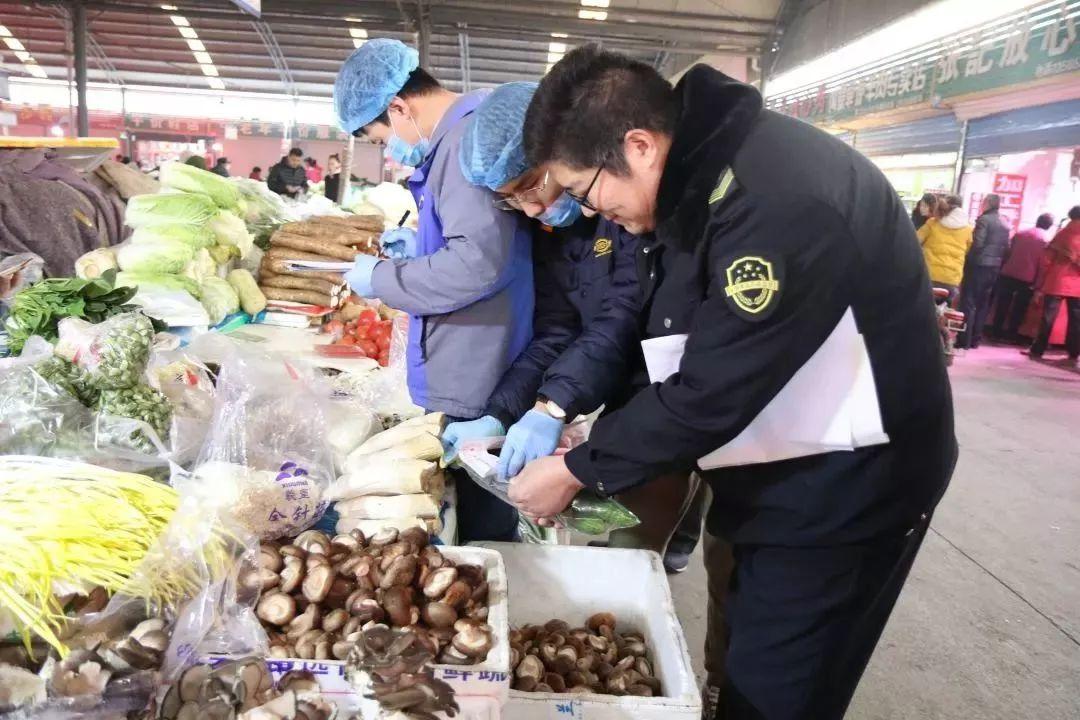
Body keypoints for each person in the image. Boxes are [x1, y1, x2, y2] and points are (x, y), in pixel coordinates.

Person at [513, 46, 956, 719]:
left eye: (584, 192)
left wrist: (579, 467)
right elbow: (668, 341)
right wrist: (590, 430)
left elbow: (715, 388)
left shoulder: (777, 198)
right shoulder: (690, 186)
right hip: (775, 459)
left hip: (848, 486)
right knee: (749, 653)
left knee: (778, 689)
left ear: (637, 145)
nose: (595, 213)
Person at [439, 81, 705, 571]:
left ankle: (670, 549)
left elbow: (620, 316)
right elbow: (557, 329)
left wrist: (553, 405)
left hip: (665, 389)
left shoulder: (625, 213)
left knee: (643, 539)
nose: (533, 208)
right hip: (625, 394)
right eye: (512, 201)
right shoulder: (551, 234)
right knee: (623, 528)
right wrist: (502, 411)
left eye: (532, 187)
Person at [333, 39, 534, 543]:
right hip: (474, 353)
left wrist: (380, 279)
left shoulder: (465, 141)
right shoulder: (457, 138)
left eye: (382, 137)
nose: (390, 149)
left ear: (400, 107)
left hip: (481, 361)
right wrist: (419, 248)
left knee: (486, 523)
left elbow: (477, 264)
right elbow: (469, 241)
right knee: (470, 508)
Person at [1029, 206, 1080, 367]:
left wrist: (1040, 282)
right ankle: (1073, 352)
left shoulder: (1063, 234)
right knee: (1076, 320)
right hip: (1077, 283)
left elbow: (1047, 260)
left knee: (1048, 318)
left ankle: (1038, 349)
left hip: (1056, 281)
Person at [958, 194, 1010, 349]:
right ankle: (975, 339)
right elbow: (1007, 249)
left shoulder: (983, 220)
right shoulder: (1005, 223)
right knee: (983, 304)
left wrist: (969, 262)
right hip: (994, 268)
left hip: (979, 266)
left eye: (983, 202)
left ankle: (964, 340)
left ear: (987, 204)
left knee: (969, 302)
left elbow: (978, 244)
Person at [991, 213, 1054, 343]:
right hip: (1028, 277)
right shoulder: (1046, 240)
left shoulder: (1020, 233)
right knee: (1019, 307)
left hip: (1008, 272)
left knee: (1003, 303)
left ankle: (996, 330)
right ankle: (1011, 333)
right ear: (1049, 226)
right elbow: (1043, 264)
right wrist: (1039, 284)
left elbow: (1008, 251)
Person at [916, 195, 972, 304]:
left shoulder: (933, 223)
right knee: (945, 311)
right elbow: (967, 251)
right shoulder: (968, 229)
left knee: (922, 308)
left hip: (930, 275)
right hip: (952, 279)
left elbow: (915, 240)